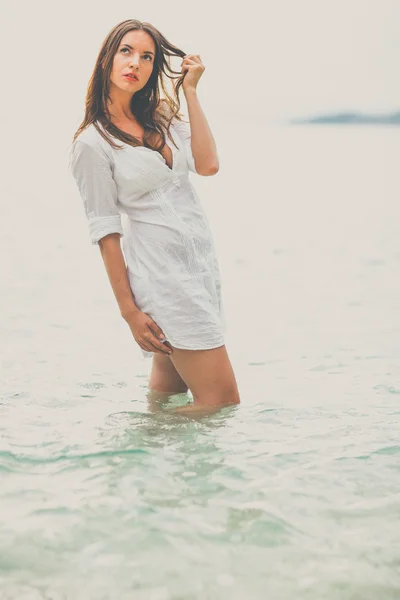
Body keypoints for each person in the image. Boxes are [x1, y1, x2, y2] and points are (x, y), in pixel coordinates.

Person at [69, 19, 240, 414]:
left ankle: (142, 464)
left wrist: (191, 93)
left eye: (147, 56)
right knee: (222, 403)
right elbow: (106, 231)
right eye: (126, 51)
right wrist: (130, 312)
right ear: (107, 59)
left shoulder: (161, 114)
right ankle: (127, 443)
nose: (136, 63)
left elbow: (208, 164)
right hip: (163, 281)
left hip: (199, 270)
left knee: (166, 401)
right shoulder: (92, 144)